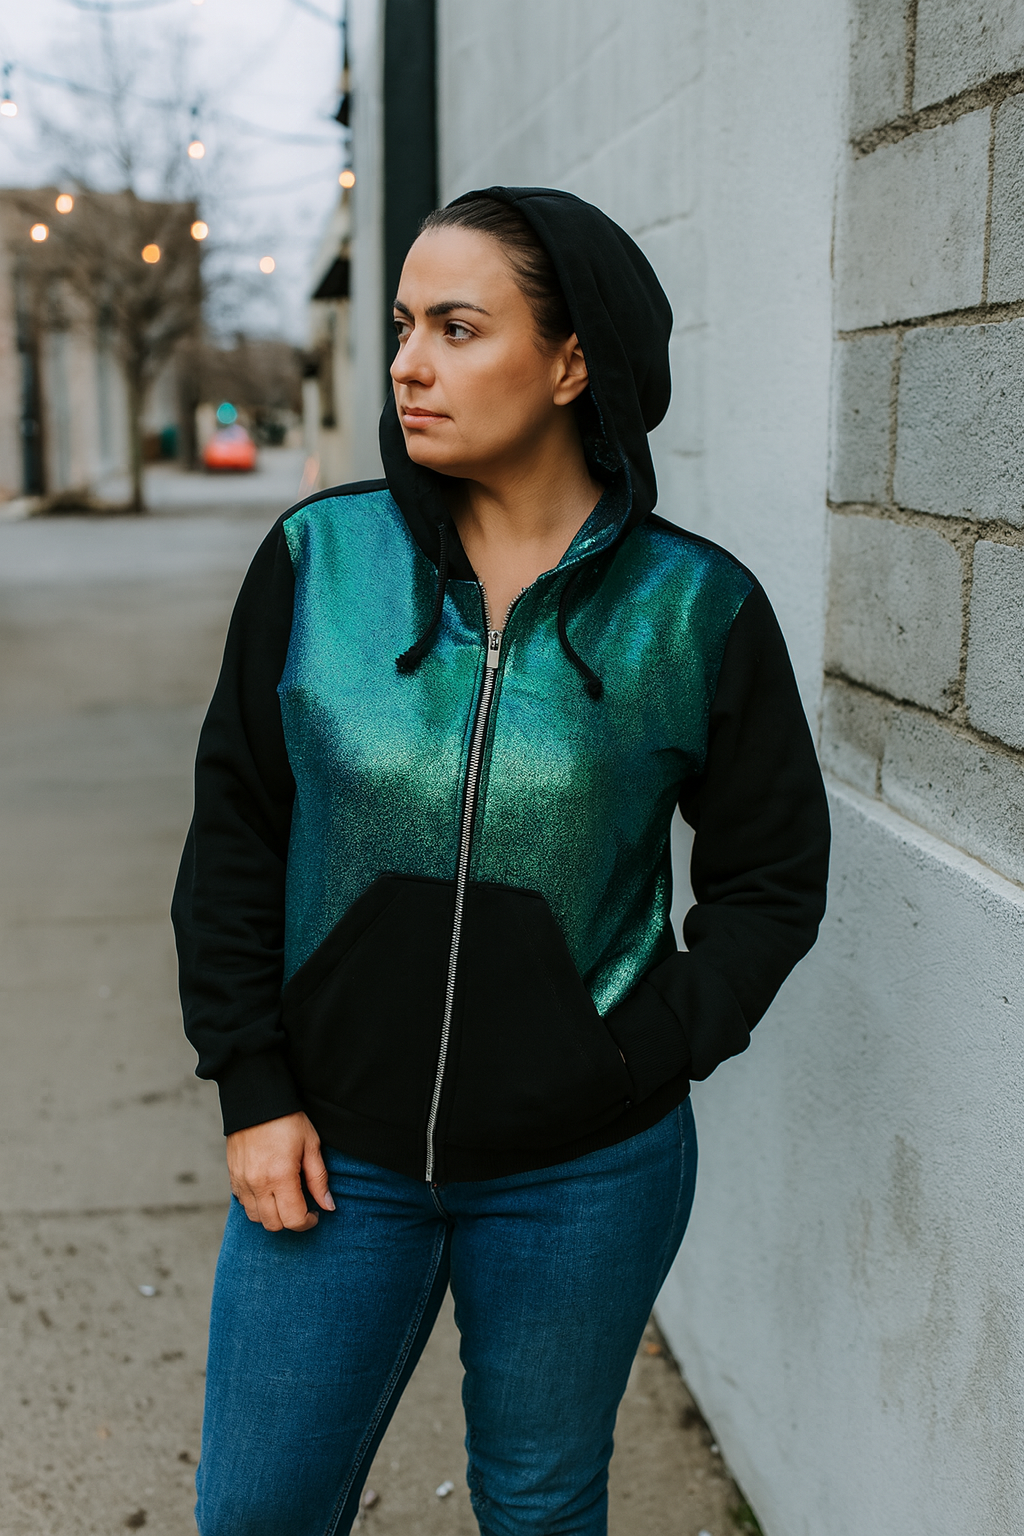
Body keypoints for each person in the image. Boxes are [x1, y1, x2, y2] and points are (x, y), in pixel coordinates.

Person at [172, 185, 830, 1536]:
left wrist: (647, 1044)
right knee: (257, 1511)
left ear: (571, 360)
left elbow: (773, 872)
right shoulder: (321, 562)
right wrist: (251, 1078)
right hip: (328, 1157)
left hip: (586, 1169)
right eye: (407, 324)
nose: (409, 361)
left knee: (538, 1502)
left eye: (459, 327)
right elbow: (239, 826)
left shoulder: (695, 610)